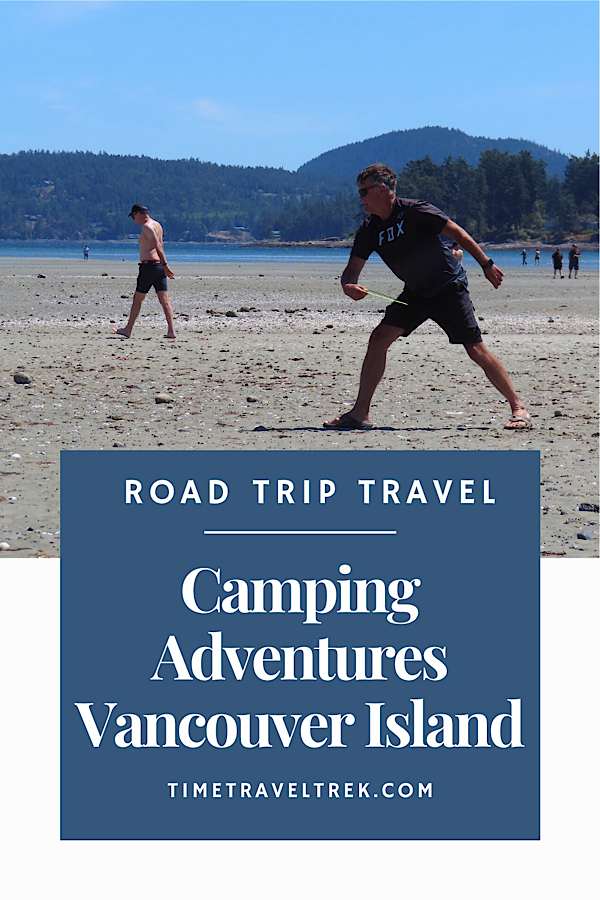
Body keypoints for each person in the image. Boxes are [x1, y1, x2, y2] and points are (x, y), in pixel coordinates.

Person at [323, 164, 531, 431]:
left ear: (382, 189)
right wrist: (349, 286)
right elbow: (352, 271)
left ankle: (518, 407)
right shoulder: (369, 229)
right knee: (379, 339)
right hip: (416, 293)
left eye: (364, 191)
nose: (360, 197)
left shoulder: (415, 211)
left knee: (475, 349)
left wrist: (486, 263)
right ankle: (359, 413)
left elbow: (457, 233)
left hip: (448, 287)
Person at [114, 205, 175, 338]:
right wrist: (163, 265)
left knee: (138, 299)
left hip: (149, 267)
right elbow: (161, 245)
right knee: (164, 300)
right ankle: (171, 331)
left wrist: (166, 264)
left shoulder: (147, 227)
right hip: (158, 267)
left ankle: (128, 330)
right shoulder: (157, 225)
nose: (134, 220)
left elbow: (158, 246)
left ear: (140, 214)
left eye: (134, 217)